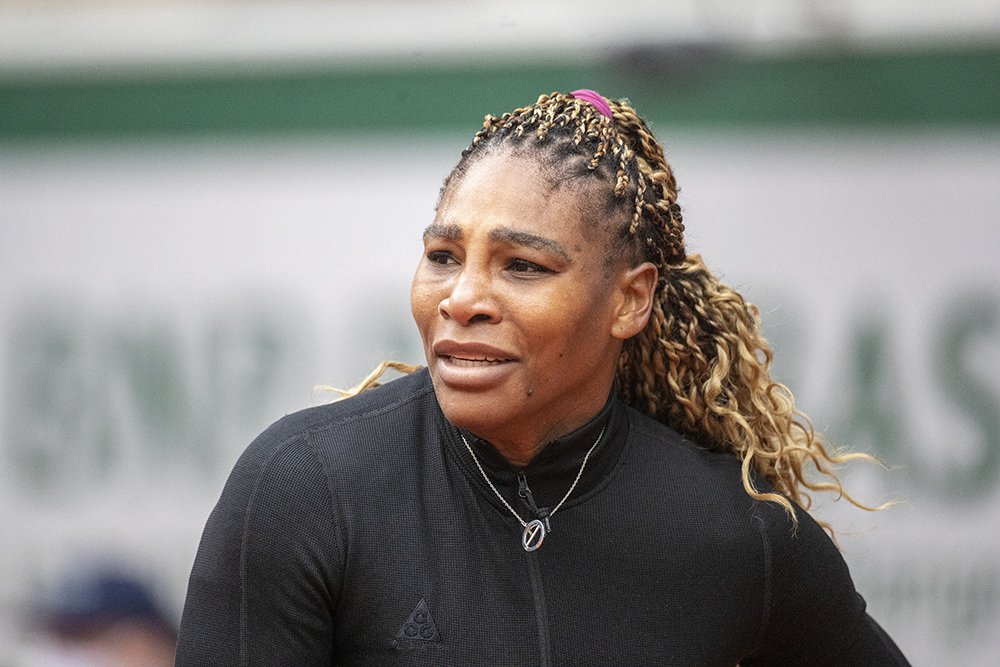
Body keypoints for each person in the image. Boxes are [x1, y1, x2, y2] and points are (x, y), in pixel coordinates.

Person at [175, 90, 909, 665]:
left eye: (522, 266)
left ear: (630, 298)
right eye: (442, 255)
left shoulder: (735, 533)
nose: (462, 298)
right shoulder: (305, 490)